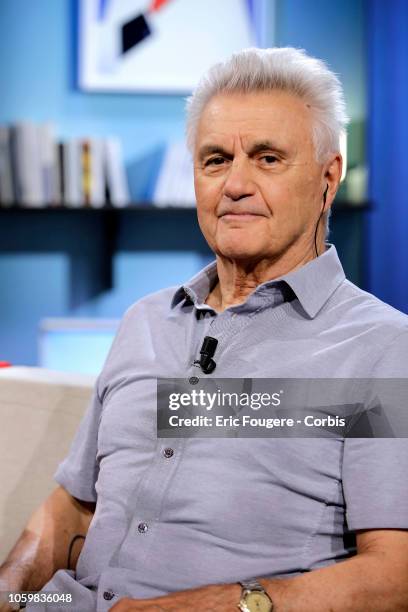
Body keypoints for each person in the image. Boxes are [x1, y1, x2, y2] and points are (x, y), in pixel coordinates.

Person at [1, 47, 408, 612]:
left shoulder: (384, 347)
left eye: (267, 158)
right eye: (215, 159)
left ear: (328, 177)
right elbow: (75, 506)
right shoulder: (144, 321)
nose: (235, 184)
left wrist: (222, 604)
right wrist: (11, 594)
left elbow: (395, 577)